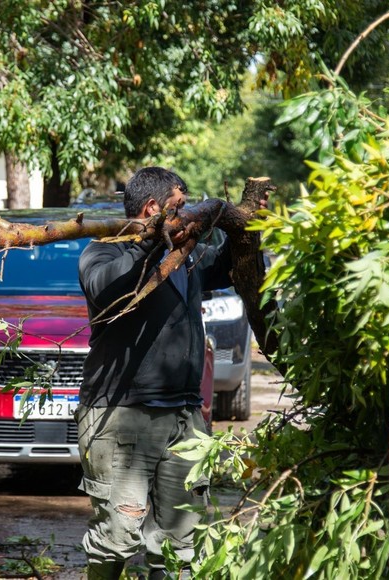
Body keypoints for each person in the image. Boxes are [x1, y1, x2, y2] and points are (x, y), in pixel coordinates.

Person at [76, 167, 266, 579]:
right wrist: (150, 241)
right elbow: (105, 287)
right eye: (180, 207)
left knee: (180, 545)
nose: (188, 215)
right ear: (152, 208)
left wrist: (249, 224)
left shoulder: (189, 256)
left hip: (184, 419)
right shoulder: (105, 251)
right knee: (118, 538)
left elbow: (234, 264)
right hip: (120, 415)